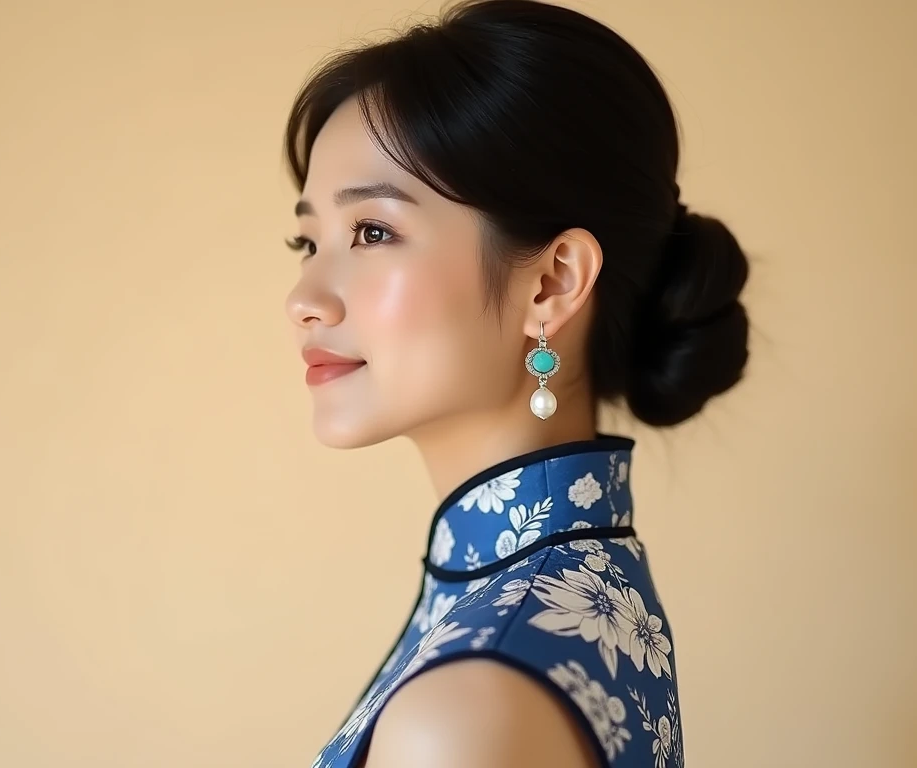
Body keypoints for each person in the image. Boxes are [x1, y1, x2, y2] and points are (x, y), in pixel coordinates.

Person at [282, 1, 750, 765]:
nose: (304, 297)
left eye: (372, 231)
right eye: (306, 240)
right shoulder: (577, 585)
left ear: (551, 283)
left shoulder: (469, 709)